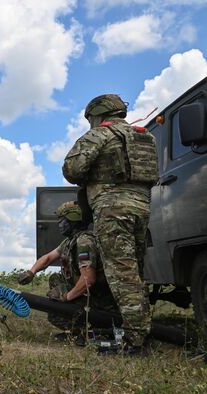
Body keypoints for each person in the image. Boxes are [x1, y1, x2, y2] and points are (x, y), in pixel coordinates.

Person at [61, 94, 158, 353]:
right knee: (134, 273)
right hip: (141, 207)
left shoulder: (99, 136)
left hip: (111, 208)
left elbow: (72, 170)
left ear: (98, 114)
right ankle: (140, 332)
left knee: (122, 276)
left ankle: (135, 342)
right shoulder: (145, 136)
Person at [18, 201, 118, 338]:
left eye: (62, 220)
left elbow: (88, 279)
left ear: (73, 220)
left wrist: (66, 297)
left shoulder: (84, 242)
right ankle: (82, 329)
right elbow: (48, 258)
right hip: (89, 294)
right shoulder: (70, 241)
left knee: (55, 315)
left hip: (99, 298)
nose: (59, 224)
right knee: (55, 279)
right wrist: (31, 272)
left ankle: (91, 331)